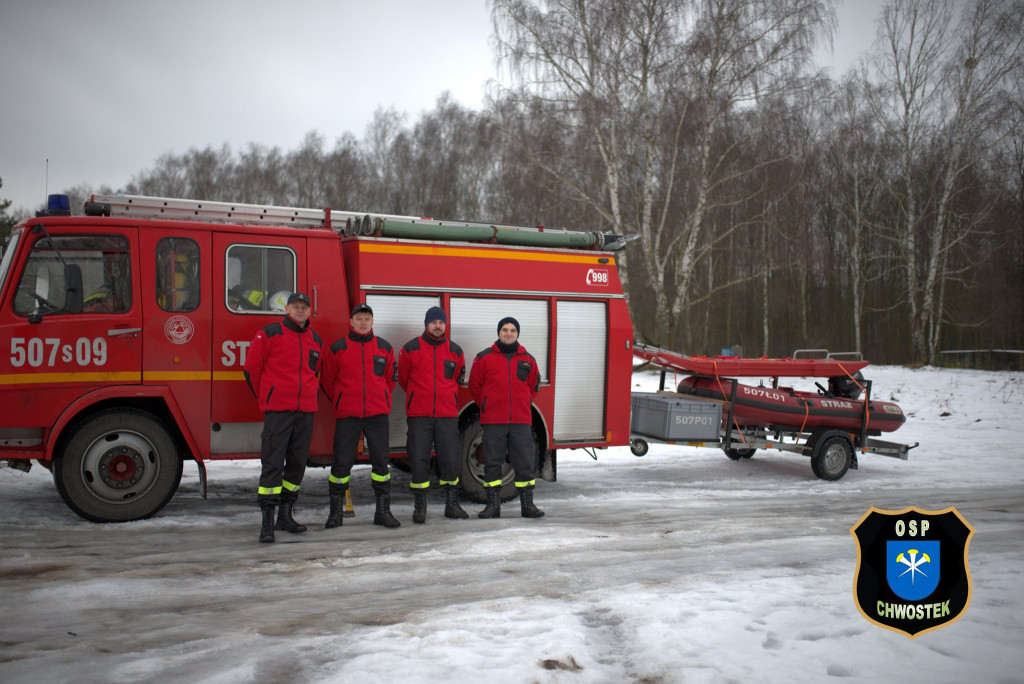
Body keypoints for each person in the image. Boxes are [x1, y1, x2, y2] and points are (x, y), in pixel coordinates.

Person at [243, 292, 322, 543]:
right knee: (273, 464)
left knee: (297, 465)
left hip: (305, 412)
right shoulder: (268, 334)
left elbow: (314, 372)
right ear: (286, 309)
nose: (300, 311)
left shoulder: (315, 340)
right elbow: (251, 369)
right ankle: (267, 522)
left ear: (310, 311)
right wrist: (267, 398)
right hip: (278, 411)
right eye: (296, 306)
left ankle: (285, 516)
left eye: (304, 307)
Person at [320, 303, 401, 529]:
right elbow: (327, 380)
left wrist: (381, 396)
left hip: (377, 415)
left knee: (381, 465)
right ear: (351, 322)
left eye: (367, 318)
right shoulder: (338, 348)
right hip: (348, 415)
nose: (363, 322)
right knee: (341, 465)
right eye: (359, 318)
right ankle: (335, 514)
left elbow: (390, 379)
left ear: (372, 322)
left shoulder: (384, 347)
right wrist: (341, 400)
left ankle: (383, 512)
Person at [398, 306, 470, 523]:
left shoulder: (456, 351)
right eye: (433, 322)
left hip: (447, 415)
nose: (437, 326)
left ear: (445, 325)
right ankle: (420, 507)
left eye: (441, 322)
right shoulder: (410, 349)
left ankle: (452, 504)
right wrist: (417, 397)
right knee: (419, 459)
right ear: (426, 324)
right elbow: (403, 378)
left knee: (449, 459)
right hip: (419, 414)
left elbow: (457, 379)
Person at [467, 316, 544, 519]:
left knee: (524, 463)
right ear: (499, 332)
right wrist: (486, 404)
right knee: (492, 463)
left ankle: (528, 505)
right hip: (494, 421)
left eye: (512, 330)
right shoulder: (483, 358)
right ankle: (493, 506)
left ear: (517, 334)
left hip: (520, 421)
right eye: (504, 330)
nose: (508, 333)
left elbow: (533, 386)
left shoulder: (528, 360)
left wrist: (523, 403)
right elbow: (475, 387)